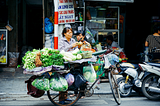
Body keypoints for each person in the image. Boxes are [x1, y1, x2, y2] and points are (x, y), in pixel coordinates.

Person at [58, 26, 80, 104]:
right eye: (69, 32)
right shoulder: (61, 41)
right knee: (63, 80)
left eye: (71, 32)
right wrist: (71, 46)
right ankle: (61, 99)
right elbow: (61, 50)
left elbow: (75, 51)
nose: (71, 34)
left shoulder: (73, 40)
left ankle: (66, 97)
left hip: (72, 62)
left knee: (69, 79)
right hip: (64, 63)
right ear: (64, 33)